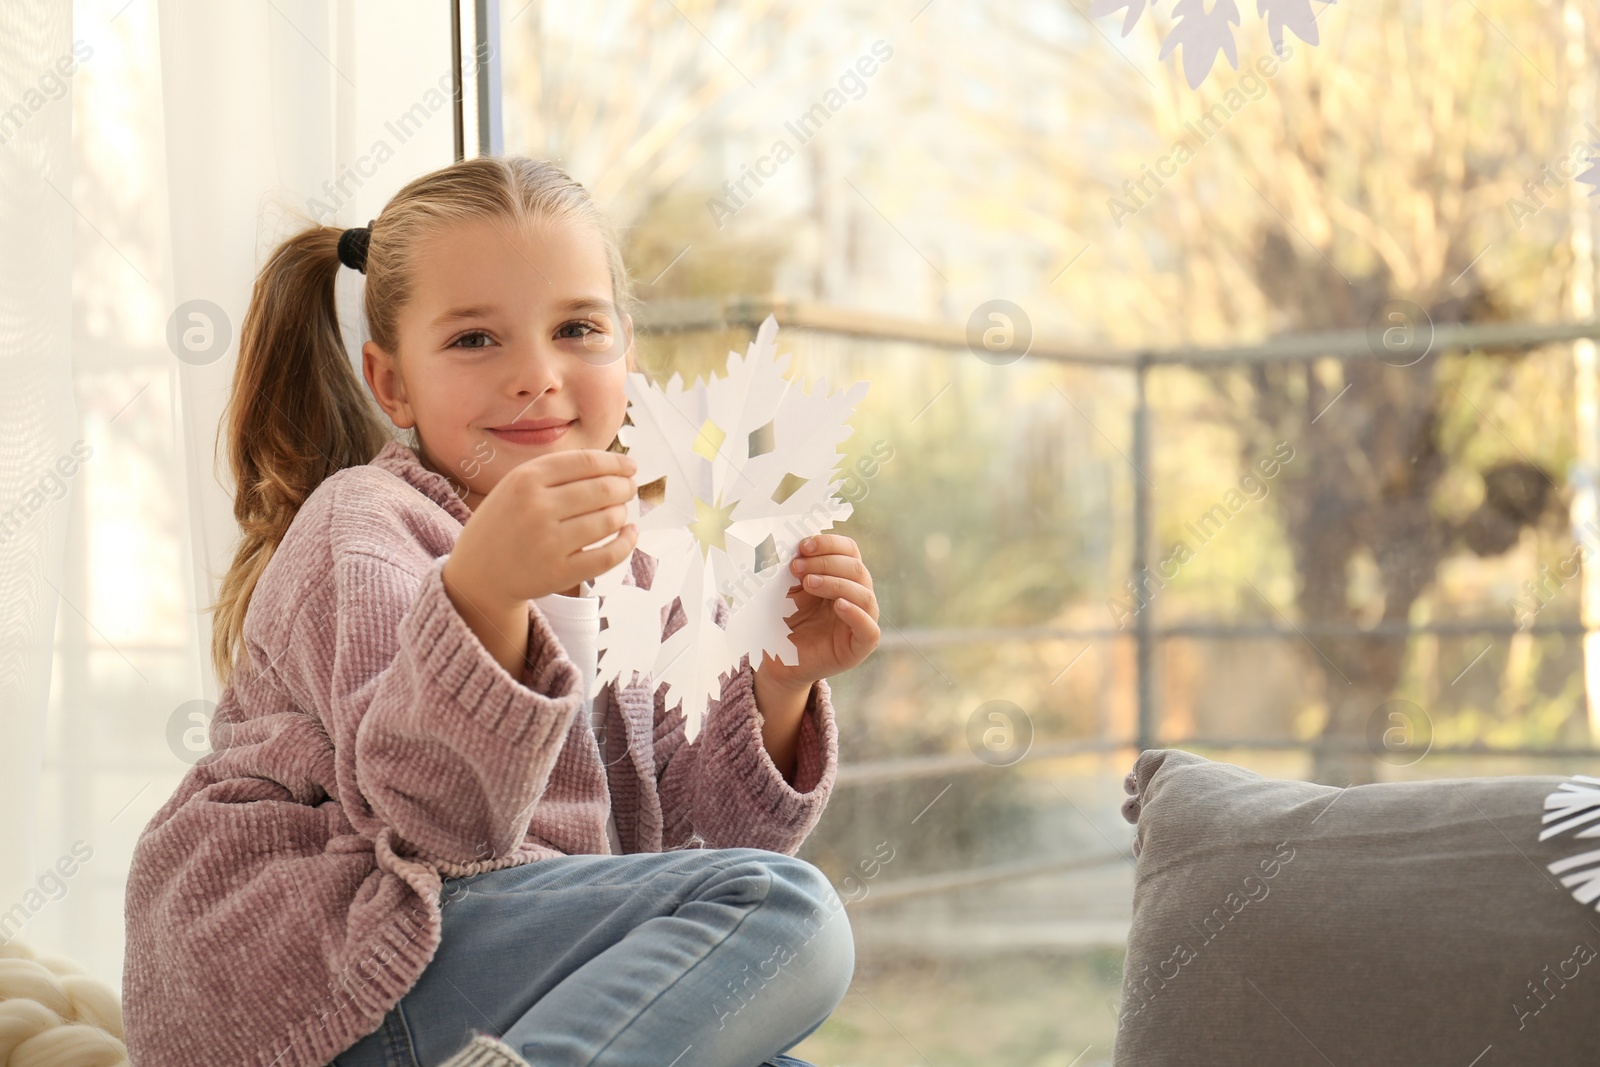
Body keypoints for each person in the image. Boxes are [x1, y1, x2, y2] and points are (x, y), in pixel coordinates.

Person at [121, 155, 882, 1067]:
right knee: (787, 910)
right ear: (391, 383)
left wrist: (779, 682)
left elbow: (696, 850)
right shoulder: (364, 524)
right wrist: (483, 592)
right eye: (475, 340)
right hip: (341, 972)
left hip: (495, 987)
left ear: (627, 354)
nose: (536, 374)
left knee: (763, 1041)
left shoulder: (646, 554)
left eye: (576, 328)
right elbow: (434, 832)